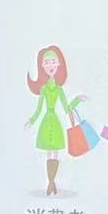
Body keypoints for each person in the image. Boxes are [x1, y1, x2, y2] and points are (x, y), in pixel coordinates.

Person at [24, 45, 85, 196]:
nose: (50, 65)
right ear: (42, 66)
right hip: (47, 122)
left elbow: (66, 108)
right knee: (49, 152)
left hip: (55, 123)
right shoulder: (44, 89)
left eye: (53, 62)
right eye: (47, 62)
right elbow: (39, 109)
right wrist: (31, 120)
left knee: (55, 153)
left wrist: (77, 100)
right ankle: (51, 183)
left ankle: (51, 183)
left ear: (58, 65)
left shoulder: (59, 89)